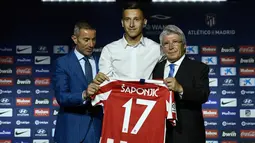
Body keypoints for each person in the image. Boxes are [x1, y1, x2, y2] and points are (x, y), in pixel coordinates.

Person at [152, 25, 210, 143]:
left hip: (187, 134)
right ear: (162, 48)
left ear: (184, 46)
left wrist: (180, 89)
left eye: (175, 42)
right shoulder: (156, 68)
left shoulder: (198, 68)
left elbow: (202, 95)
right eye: (166, 43)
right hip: (161, 133)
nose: (171, 47)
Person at [52, 21, 103, 143]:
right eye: (86, 40)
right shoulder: (62, 63)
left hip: (98, 128)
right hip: (71, 131)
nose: (91, 44)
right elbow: (61, 97)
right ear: (75, 39)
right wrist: (84, 94)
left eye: (93, 39)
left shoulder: (102, 61)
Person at [95, 1, 162, 83]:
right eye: (127, 20)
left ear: (144, 22)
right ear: (122, 23)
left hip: (146, 95)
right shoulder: (109, 50)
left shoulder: (156, 49)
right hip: (117, 95)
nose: (131, 25)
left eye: (136, 19)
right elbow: (106, 84)